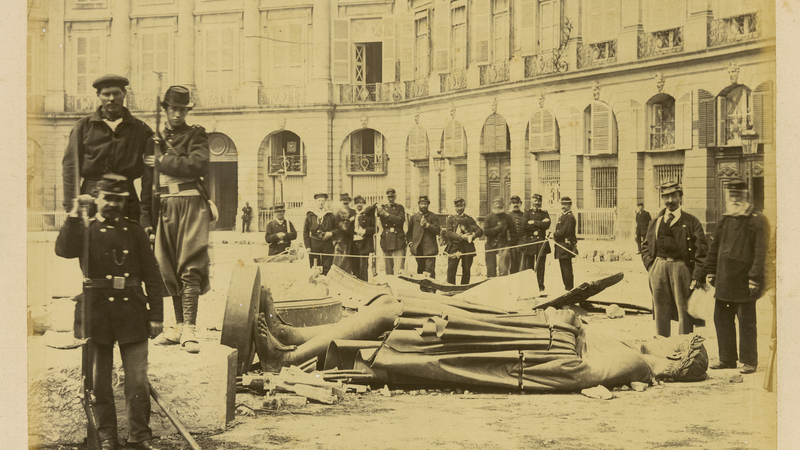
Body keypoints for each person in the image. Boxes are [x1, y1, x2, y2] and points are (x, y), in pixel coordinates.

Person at [254, 286, 709, 391]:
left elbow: (571, 368)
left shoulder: (635, 365)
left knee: (393, 313)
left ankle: (287, 358)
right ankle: (291, 336)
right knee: (392, 307)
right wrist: (564, 321)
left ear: (675, 362)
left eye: (675, 345)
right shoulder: (632, 355)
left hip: (499, 342)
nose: (663, 340)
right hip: (505, 328)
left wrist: (564, 323)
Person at [55, 174, 167, 450]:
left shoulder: (135, 231)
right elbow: (63, 250)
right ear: (96, 199)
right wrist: (73, 213)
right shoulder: (85, 229)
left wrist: (156, 315)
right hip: (97, 313)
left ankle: (139, 437)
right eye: (108, 198)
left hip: (133, 312)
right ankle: (107, 437)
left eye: (119, 199)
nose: (113, 204)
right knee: (99, 383)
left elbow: (152, 275)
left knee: (138, 382)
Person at [147, 86, 210, 355]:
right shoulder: (156, 139)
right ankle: (178, 326)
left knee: (190, 263)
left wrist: (161, 161)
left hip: (191, 203)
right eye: (172, 109)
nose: (177, 114)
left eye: (182, 109)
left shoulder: (196, 135)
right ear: (165, 110)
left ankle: (191, 328)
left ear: (187, 111)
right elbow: (150, 184)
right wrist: (148, 218)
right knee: (168, 266)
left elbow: (197, 165)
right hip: (165, 205)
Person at [62, 74, 154, 224]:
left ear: (124, 94)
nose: (112, 98)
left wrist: (145, 214)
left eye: (116, 93)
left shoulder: (141, 129)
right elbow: (70, 169)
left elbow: (150, 174)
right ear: (98, 96)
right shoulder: (83, 127)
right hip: (91, 199)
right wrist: (72, 206)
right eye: (106, 94)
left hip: (126, 199)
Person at [704, 179, 768, 375]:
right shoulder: (725, 219)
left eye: (738, 194)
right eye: (731, 194)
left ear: (745, 195)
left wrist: (755, 278)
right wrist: (710, 270)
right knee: (721, 318)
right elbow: (715, 247)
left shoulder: (758, 219)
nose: (734, 198)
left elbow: (761, 253)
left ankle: (749, 361)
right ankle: (727, 359)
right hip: (724, 279)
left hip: (745, 281)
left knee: (746, 321)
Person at [641, 182, 708, 338]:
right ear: (662, 198)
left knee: (684, 309)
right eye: (666, 197)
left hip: (682, 268)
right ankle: (662, 345)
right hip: (658, 267)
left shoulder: (692, 222)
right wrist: (651, 266)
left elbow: (702, 250)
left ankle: (684, 346)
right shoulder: (656, 222)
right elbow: (645, 246)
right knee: (660, 308)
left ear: (680, 197)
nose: (670, 200)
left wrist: (698, 275)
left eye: (674, 196)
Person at [442, 197, 484, 285]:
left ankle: (464, 288)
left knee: (467, 269)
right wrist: (461, 237)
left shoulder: (469, 219)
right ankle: (450, 287)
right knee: (451, 269)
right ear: (455, 207)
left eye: (461, 206)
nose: (460, 208)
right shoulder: (451, 219)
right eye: (457, 206)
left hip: (467, 247)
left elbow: (480, 231)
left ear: (464, 205)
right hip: (454, 246)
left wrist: (473, 235)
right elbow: (449, 233)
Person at [522, 193, 551, 293]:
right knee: (529, 267)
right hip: (530, 242)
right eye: (535, 201)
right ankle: (529, 287)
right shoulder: (527, 213)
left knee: (541, 266)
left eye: (538, 201)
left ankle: (540, 287)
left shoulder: (544, 213)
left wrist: (533, 222)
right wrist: (540, 225)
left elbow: (547, 225)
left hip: (541, 243)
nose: (537, 203)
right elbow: (524, 225)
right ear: (532, 201)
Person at [407, 195, 441, 278]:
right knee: (420, 271)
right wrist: (411, 243)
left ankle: (431, 289)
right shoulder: (414, 217)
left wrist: (427, 225)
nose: (423, 206)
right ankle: (422, 289)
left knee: (430, 271)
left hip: (430, 249)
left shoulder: (433, 216)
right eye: (421, 203)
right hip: (418, 249)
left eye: (425, 203)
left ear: (428, 204)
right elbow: (409, 232)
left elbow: (437, 230)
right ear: (418, 205)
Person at [303, 193, 335, 275]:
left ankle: (325, 282)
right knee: (315, 266)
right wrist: (308, 246)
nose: (321, 202)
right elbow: (305, 232)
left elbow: (337, 229)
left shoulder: (330, 215)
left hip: (327, 243)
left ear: (325, 202)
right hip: (314, 243)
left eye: (323, 201)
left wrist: (331, 233)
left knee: (327, 265)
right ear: (315, 202)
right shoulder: (310, 215)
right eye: (319, 201)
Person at [483, 197, 515, 278]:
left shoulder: (507, 217)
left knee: (504, 269)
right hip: (490, 244)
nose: (498, 206)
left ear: (503, 205)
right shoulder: (488, 217)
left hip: (504, 245)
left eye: (500, 205)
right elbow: (486, 232)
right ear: (493, 205)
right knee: (490, 269)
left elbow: (513, 231)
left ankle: (502, 287)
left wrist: (509, 244)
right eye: (496, 205)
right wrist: (497, 229)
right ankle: (491, 287)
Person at [378, 188, 407, 275]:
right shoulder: (382, 208)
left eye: (392, 197)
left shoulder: (400, 207)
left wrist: (386, 214)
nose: (390, 199)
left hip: (398, 238)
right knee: (388, 267)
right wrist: (376, 206)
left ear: (395, 196)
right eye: (389, 197)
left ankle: (399, 285)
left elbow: (400, 220)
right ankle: (389, 283)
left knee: (399, 268)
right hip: (386, 238)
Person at [350, 196, 377, 281]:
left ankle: (363, 285)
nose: (359, 204)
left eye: (361, 202)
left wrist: (365, 231)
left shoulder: (369, 215)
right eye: (357, 202)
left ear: (364, 204)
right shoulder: (352, 215)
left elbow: (376, 229)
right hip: (353, 244)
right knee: (354, 267)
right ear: (354, 204)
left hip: (364, 244)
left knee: (363, 268)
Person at [553, 196, 577, 291]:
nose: (563, 206)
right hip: (561, 246)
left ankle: (569, 288)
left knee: (566, 268)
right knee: (563, 268)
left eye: (566, 204)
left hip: (565, 246)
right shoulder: (563, 216)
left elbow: (564, 232)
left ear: (570, 205)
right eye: (562, 204)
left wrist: (554, 234)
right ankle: (567, 288)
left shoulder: (570, 217)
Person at [332, 193, 356, 273]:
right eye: (344, 201)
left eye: (347, 201)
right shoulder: (337, 213)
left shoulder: (353, 212)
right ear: (341, 201)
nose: (345, 203)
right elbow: (336, 226)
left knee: (349, 261)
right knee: (339, 260)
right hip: (340, 240)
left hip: (351, 239)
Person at [507, 194, 526, 274]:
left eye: (517, 202)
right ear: (510, 204)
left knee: (522, 268)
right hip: (511, 246)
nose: (515, 204)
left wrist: (524, 242)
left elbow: (527, 230)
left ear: (520, 204)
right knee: (512, 268)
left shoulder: (525, 215)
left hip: (522, 246)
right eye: (513, 203)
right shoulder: (507, 217)